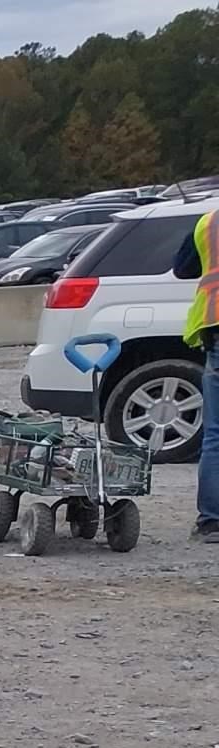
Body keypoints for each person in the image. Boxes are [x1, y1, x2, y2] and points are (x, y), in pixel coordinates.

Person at [173, 212, 219, 539]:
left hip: (216, 327)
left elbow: (183, 268)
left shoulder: (209, 223)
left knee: (216, 435)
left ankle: (212, 522)